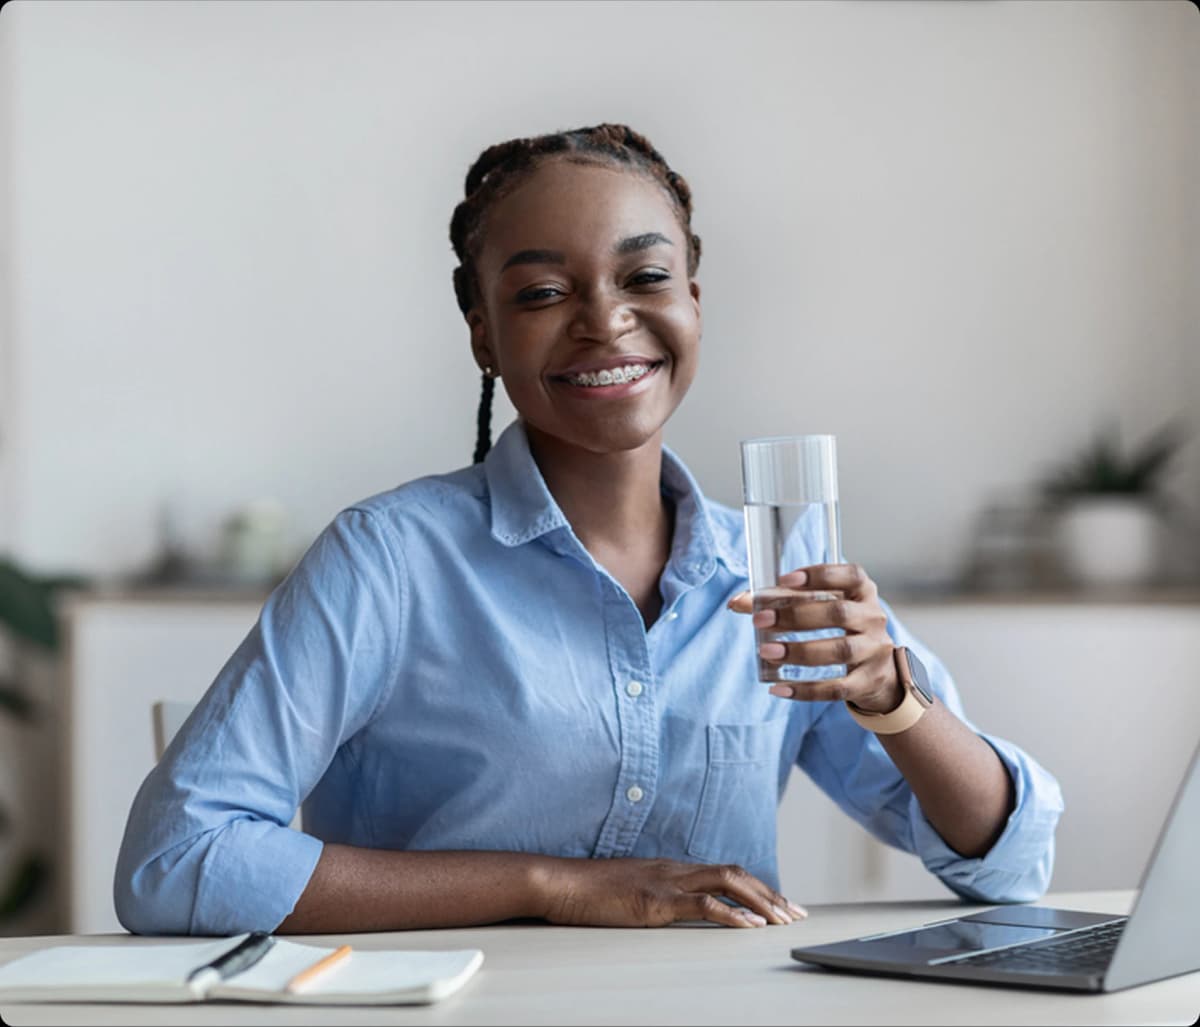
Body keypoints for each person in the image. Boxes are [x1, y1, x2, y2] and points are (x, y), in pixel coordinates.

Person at [114, 123, 1063, 937]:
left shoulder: (777, 571)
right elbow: (176, 861)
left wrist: (892, 694)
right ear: (484, 334)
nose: (606, 320)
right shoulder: (391, 560)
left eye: (645, 274)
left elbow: (1011, 866)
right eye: (539, 294)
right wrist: (555, 885)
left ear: (694, 300)